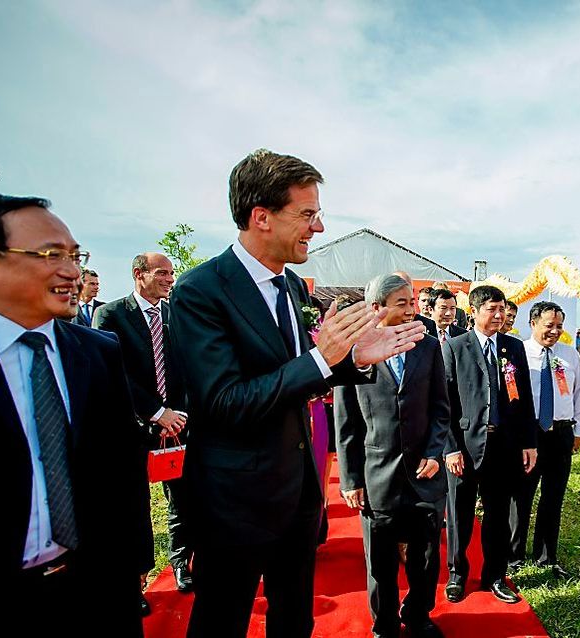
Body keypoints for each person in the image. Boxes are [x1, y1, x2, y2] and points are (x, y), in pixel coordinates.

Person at [168, 149, 425, 638]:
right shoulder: (200, 290)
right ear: (261, 217)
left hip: (299, 490)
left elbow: (303, 376)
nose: (319, 228)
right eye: (307, 214)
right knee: (221, 622)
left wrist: (353, 362)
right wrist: (322, 359)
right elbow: (224, 402)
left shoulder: (292, 286)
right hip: (234, 499)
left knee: (294, 622)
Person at [0, 193, 153, 637]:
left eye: (75, 255)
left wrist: (135, 560)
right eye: (50, 255)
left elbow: (123, 464)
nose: (72, 271)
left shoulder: (97, 352)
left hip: (98, 588)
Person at [335, 274, 450, 638]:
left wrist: (434, 453)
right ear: (376, 308)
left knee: (426, 558)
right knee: (381, 562)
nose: (410, 310)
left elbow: (440, 409)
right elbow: (346, 423)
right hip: (376, 475)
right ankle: (384, 623)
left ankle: (418, 615)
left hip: (424, 475)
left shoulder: (428, 347)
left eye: (412, 303)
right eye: (401, 304)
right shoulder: (354, 352)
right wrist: (351, 479)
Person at [93, 252, 194, 600]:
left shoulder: (175, 315)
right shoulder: (110, 315)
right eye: (161, 273)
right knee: (134, 507)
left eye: (171, 273)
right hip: (132, 426)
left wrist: (177, 415)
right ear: (139, 275)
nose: (169, 279)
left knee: (183, 499)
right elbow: (112, 371)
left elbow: (185, 368)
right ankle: (136, 578)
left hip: (177, 425)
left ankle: (181, 561)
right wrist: (155, 411)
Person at [441, 285, 537, 604]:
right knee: (460, 513)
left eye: (502, 309)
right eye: (491, 310)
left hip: (504, 445)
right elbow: (445, 404)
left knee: (497, 514)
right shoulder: (455, 347)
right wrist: (450, 447)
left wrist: (528, 442)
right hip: (465, 447)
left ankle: (495, 576)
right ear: (474, 311)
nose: (499, 316)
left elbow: (523, 400)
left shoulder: (513, 347)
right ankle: (457, 574)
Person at [509, 301, 580, 579]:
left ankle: (546, 556)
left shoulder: (569, 354)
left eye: (559, 326)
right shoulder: (518, 352)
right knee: (521, 495)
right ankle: (513, 555)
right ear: (533, 324)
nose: (554, 331)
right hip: (529, 435)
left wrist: (579, 430)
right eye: (549, 326)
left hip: (561, 433)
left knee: (553, 496)